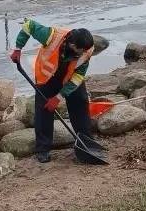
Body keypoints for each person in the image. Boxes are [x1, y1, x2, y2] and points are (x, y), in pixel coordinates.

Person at [9, 19, 95, 164]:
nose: (83, 53)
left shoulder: (87, 50)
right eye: (80, 50)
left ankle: (86, 142)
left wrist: (59, 97)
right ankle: (43, 149)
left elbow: (78, 76)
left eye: (84, 51)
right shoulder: (51, 36)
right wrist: (18, 48)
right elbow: (29, 25)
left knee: (80, 103)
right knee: (43, 109)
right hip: (47, 77)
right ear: (72, 44)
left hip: (69, 77)